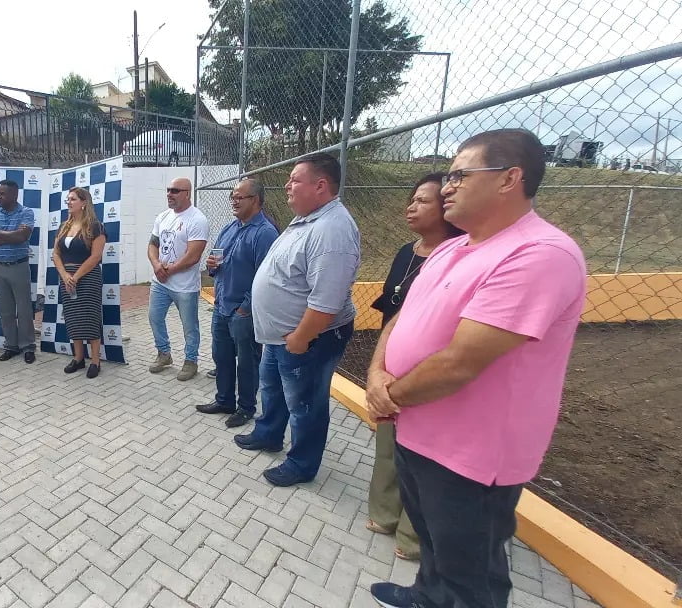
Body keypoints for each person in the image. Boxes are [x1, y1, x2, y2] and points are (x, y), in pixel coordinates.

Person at [366, 129, 587, 608]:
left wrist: (388, 394)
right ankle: (426, 595)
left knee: (471, 576)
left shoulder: (539, 255)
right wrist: (376, 374)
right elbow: (402, 318)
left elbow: (461, 362)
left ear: (509, 179)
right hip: (416, 429)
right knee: (433, 543)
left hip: (472, 455)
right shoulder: (453, 248)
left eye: (459, 175)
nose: (446, 186)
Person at [234, 152, 360, 487]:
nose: (287, 186)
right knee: (273, 388)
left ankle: (302, 464)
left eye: (295, 180)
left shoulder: (332, 230)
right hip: (282, 336)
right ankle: (269, 434)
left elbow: (327, 300)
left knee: (305, 403)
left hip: (308, 338)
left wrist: (301, 338)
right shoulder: (308, 219)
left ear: (320, 186)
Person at [365, 173, 464, 562]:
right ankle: (384, 513)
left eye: (422, 201)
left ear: (446, 209)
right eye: (412, 199)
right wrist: (380, 367)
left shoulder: (458, 257)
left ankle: (413, 534)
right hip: (389, 365)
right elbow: (392, 305)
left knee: (422, 455)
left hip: (427, 373)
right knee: (388, 446)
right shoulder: (407, 252)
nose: (411, 207)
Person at [195, 178, 278, 428]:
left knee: (247, 362)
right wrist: (211, 267)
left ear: (256, 200)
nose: (234, 201)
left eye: (240, 197)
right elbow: (216, 261)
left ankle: (246, 408)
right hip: (222, 306)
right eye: (233, 196)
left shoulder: (265, 233)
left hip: (243, 312)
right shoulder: (229, 228)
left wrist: (245, 307)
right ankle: (224, 401)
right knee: (221, 357)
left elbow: (267, 278)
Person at [148, 177, 209, 381]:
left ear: (187, 193)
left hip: (185, 286)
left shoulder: (197, 219)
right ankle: (164, 353)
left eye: (175, 191)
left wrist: (170, 270)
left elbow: (193, 256)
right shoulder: (163, 217)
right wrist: (157, 265)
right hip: (160, 282)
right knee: (154, 317)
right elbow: (152, 245)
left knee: (189, 326)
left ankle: (191, 361)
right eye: (168, 190)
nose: (169, 194)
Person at [51, 187, 107, 378]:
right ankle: (78, 358)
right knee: (73, 317)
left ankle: (95, 361)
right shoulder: (63, 226)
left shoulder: (95, 226)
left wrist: (75, 276)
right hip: (66, 278)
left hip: (88, 277)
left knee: (90, 318)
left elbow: (96, 256)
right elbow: (56, 254)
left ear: (84, 203)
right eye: (68, 199)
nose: (69, 202)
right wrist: (64, 275)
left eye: (73, 199)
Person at [0, 180, 36, 363]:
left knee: (24, 310)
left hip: (19, 266)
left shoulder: (26, 212)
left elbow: (22, 236)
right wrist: (10, 237)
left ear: (14, 195)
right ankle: (11, 346)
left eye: (2, 193)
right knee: (5, 310)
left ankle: (28, 347)